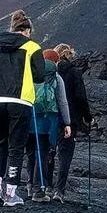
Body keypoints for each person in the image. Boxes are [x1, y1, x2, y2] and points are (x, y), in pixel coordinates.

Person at [0, 10, 45, 207]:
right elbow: (40, 76)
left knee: (0, 145)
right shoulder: (32, 47)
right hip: (20, 101)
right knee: (16, 148)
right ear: (27, 30)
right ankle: (11, 193)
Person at [23, 49, 71, 202]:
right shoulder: (56, 78)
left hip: (29, 119)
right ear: (56, 62)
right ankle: (39, 190)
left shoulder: (30, 73)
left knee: (30, 152)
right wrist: (67, 122)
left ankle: (29, 185)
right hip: (47, 122)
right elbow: (62, 102)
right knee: (42, 154)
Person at [52, 43, 91, 202]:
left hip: (51, 117)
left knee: (49, 151)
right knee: (65, 154)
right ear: (69, 55)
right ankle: (59, 191)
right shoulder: (74, 72)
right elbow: (81, 97)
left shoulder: (49, 72)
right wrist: (87, 117)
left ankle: (45, 186)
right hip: (70, 119)